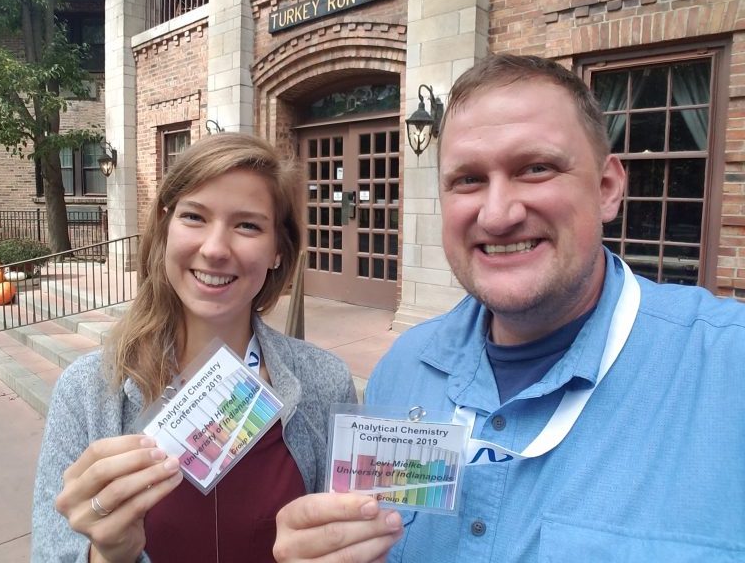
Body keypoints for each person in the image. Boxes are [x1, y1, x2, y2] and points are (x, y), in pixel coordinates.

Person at [273, 54, 745, 562]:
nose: (497, 215)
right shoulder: (402, 371)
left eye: (536, 169)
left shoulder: (727, 368)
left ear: (607, 188)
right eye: (468, 180)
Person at [31, 133, 357, 562]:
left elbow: (346, 538)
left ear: (279, 249)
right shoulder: (90, 390)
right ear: (165, 229)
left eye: (247, 225)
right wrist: (106, 555)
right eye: (194, 217)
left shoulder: (326, 384)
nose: (216, 249)